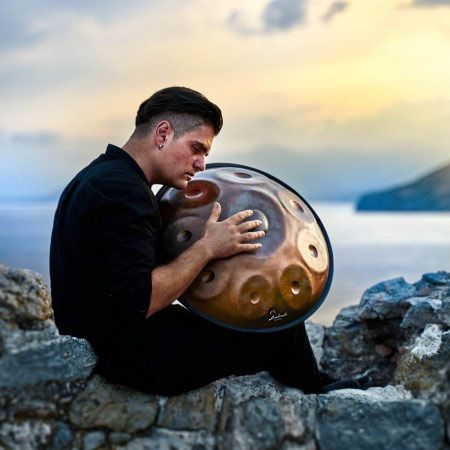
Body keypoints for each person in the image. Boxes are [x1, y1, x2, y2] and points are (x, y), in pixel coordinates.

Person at [50, 86, 372, 396]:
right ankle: (317, 391)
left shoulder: (100, 174)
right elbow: (140, 301)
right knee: (275, 325)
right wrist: (208, 247)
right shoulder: (126, 194)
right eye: (197, 148)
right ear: (163, 134)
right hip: (131, 358)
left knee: (253, 321)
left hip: (106, 335)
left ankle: (318, 380)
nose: (201, 164)